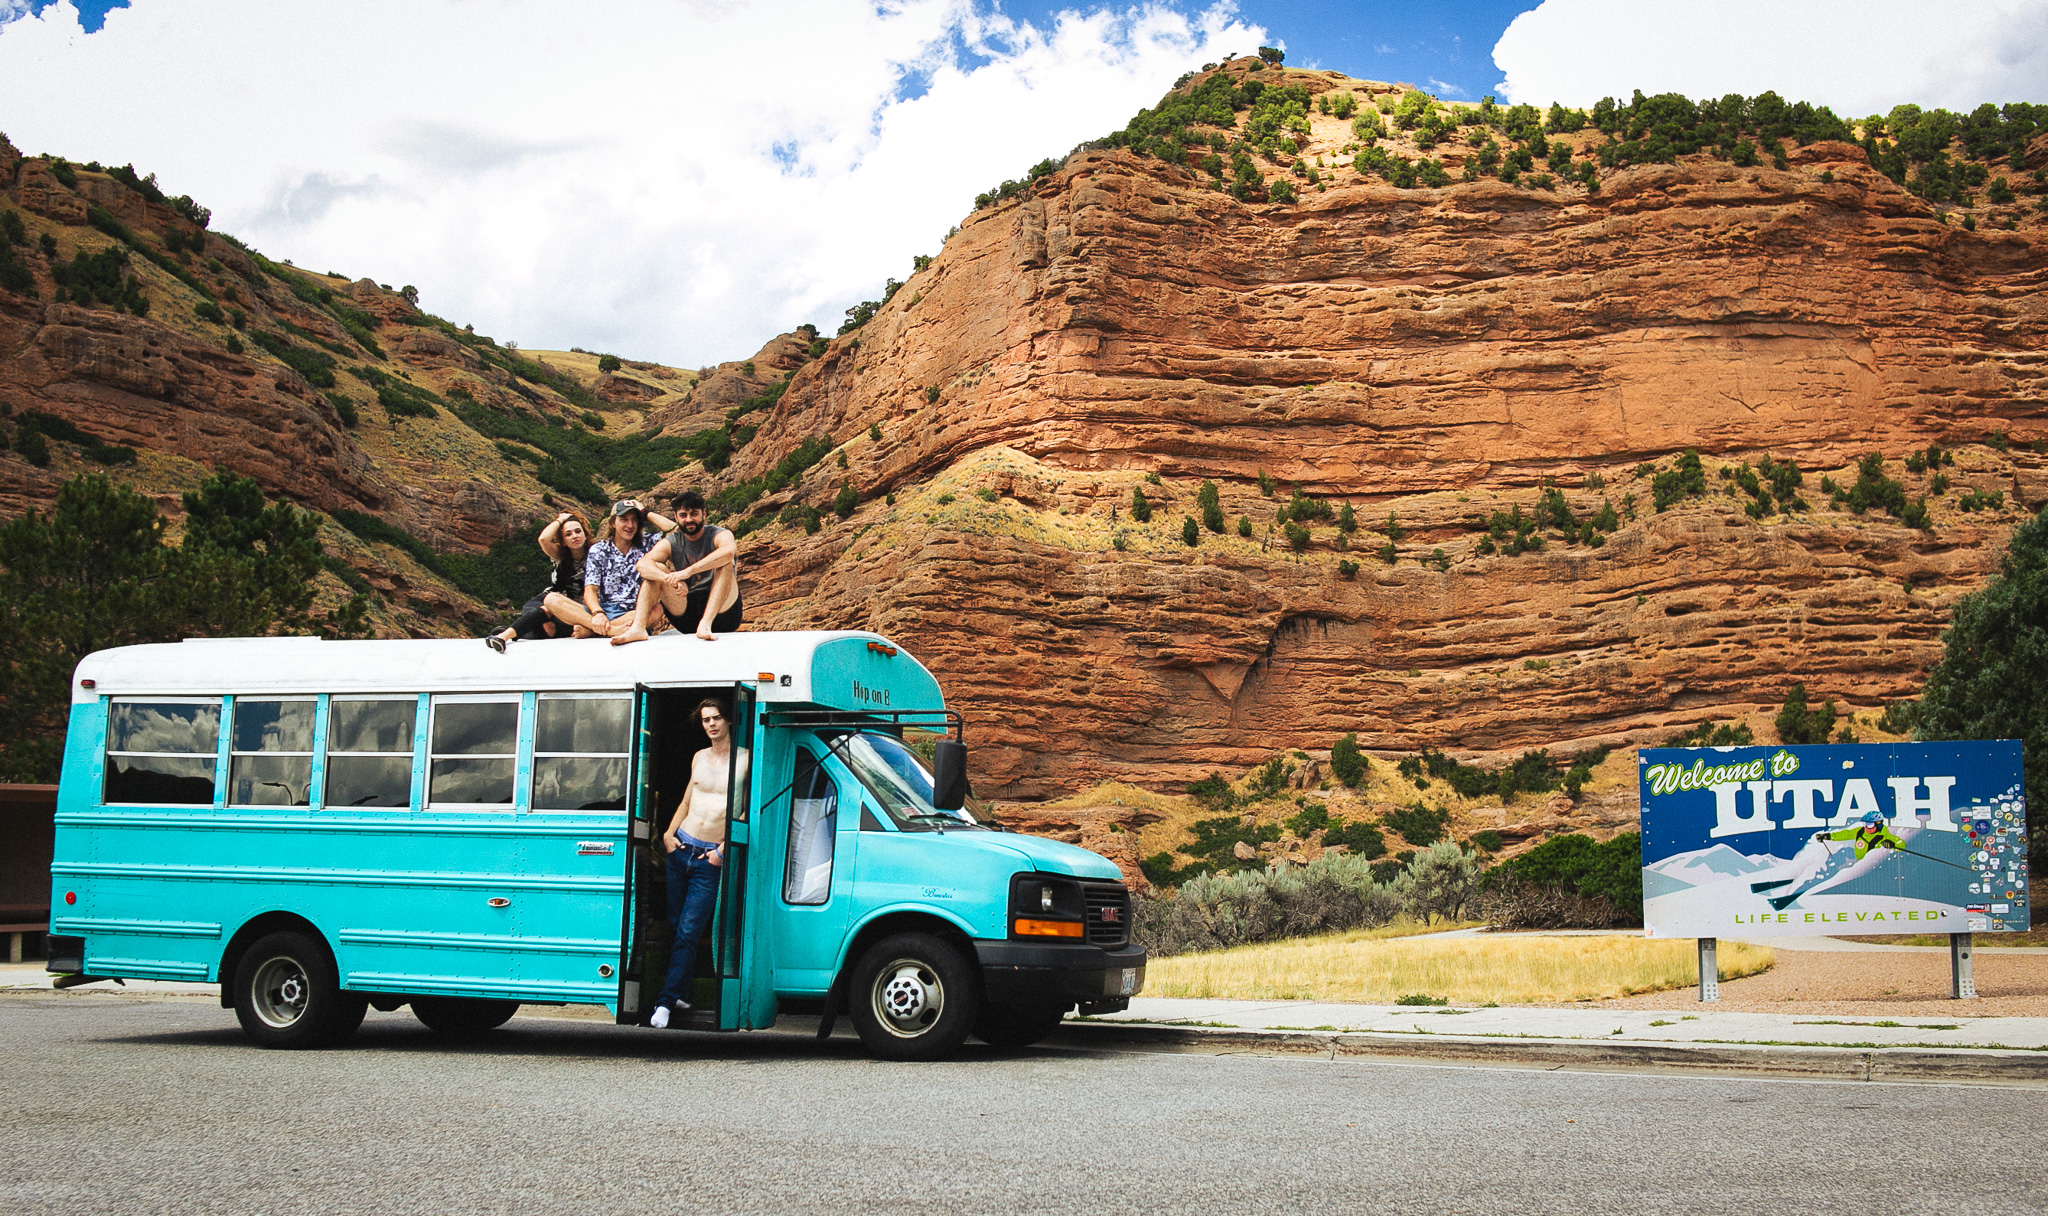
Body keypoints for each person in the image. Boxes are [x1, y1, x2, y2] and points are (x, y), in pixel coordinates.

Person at [650, 697, 751, 1028]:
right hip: (682, 847)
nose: (711, 724)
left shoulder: (745, 760)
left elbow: (747, 808)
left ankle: (665, 1002)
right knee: (678, 924)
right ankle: (679, 992)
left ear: (729, 721)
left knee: (689, 930)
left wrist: (723, 849)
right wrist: (667, 833)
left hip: (710, 857)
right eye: (706, 719)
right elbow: (687, 799)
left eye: (717, 718)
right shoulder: (699, 757)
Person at [610, 489, 743, 645]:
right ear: (676, 517)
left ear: (704, 515)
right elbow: (642, 564)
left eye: (694, 514)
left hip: (724, 612)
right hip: (687, 613)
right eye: (683, 515)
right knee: (655, 568)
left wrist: (687, 572)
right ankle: (638, 628)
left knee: (725, 562)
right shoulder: (673, 541)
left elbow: (728, 552)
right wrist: (669, 579)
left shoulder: (719, 534)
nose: (688, 519)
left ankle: (705, 624)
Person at [485, 510, 593, 652]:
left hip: (571, 608)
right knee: (546, 610)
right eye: (568, 534)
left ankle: (508, 632)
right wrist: (560, 520)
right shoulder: (560, 554)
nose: (574, 536)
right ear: (563, 541)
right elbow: (543, 539)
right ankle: (504, 636)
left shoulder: (597, 554)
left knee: (549, 629)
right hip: (546, 600)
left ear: (585, 534)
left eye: (578, 531)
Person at [579, 499, 673, 639]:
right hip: (607, 610)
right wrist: (598, 613)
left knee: (657, 610)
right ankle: (611, 627)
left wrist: (646, 513)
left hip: (638, 611)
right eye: (624, 519)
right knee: (553, 600)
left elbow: (675, 531)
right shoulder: (599, 550)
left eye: (635, 520)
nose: (630, 525)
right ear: (613, 523)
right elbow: (590, 590)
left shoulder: (648, 543)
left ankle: (595, 630)